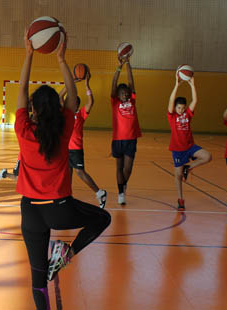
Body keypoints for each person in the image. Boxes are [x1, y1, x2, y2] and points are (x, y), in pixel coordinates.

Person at [17, 32, 111, 310]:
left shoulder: (22, 128)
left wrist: (29, 53)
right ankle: (65, 254)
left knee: (37, 281)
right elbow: (74, 95)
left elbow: (21, 90)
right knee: (102, 218)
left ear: (32, 108)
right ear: (58, 108)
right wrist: (61, 58)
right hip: (60, 208)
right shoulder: (64, 127)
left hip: (30, 211)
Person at [59, 73, 108, 208]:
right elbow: (59, 96)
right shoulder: (65, 112)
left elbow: (91, 102)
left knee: (80, 172)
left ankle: (100, 192)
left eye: (72, 101)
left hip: (76, 149)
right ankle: (66, 199)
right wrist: (71, 83)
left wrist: (86, 85)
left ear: (76, 104)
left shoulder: (81, 114)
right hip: (65, 149)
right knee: (67, 175)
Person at [167, 75, 212, 211]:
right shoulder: (172, 116)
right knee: (178, 175)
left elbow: (195, 100)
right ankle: (181, 199)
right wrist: (177, 84)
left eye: (182, 108)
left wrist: (192, 84)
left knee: (207, 156)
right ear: (175, 108)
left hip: (190, 146)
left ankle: (189, 167)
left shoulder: (187, 114)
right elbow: (170, 100)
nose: (180, 110)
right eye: (178, 108)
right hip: (178, 149)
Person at [110, 55, 141, 205]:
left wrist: (128, 63)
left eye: (127, 92)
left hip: (131, 139)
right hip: (117, 140)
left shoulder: (132, 101)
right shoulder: (114, 102)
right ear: (117, 95)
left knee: (127, 169)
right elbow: (114, 84)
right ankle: (121, 192)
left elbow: (130, 81)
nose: (126, 94)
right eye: (122, 93)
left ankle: (123, 184)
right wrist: (119, 67)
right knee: (119, 167)